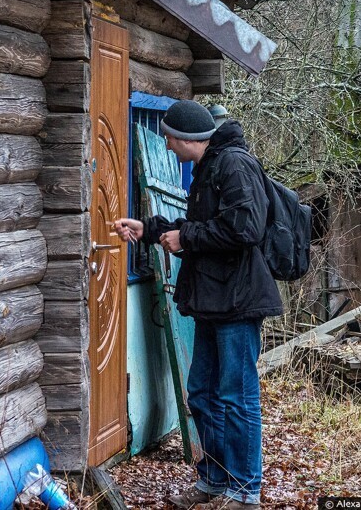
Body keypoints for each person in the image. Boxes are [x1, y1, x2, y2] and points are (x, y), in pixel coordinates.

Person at [114, 101, 282, 509]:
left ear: (187, 138)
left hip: (238, 302)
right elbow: (203, 225)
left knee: (237, 396)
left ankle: (244, 493)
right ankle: (214, 482)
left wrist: (185, 238)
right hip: (214, 300)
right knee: (203, 393)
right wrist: (152, 230)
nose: (167, 145)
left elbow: (244, 228)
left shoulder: (234, 165)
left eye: (170, 137)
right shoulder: (210, 167)